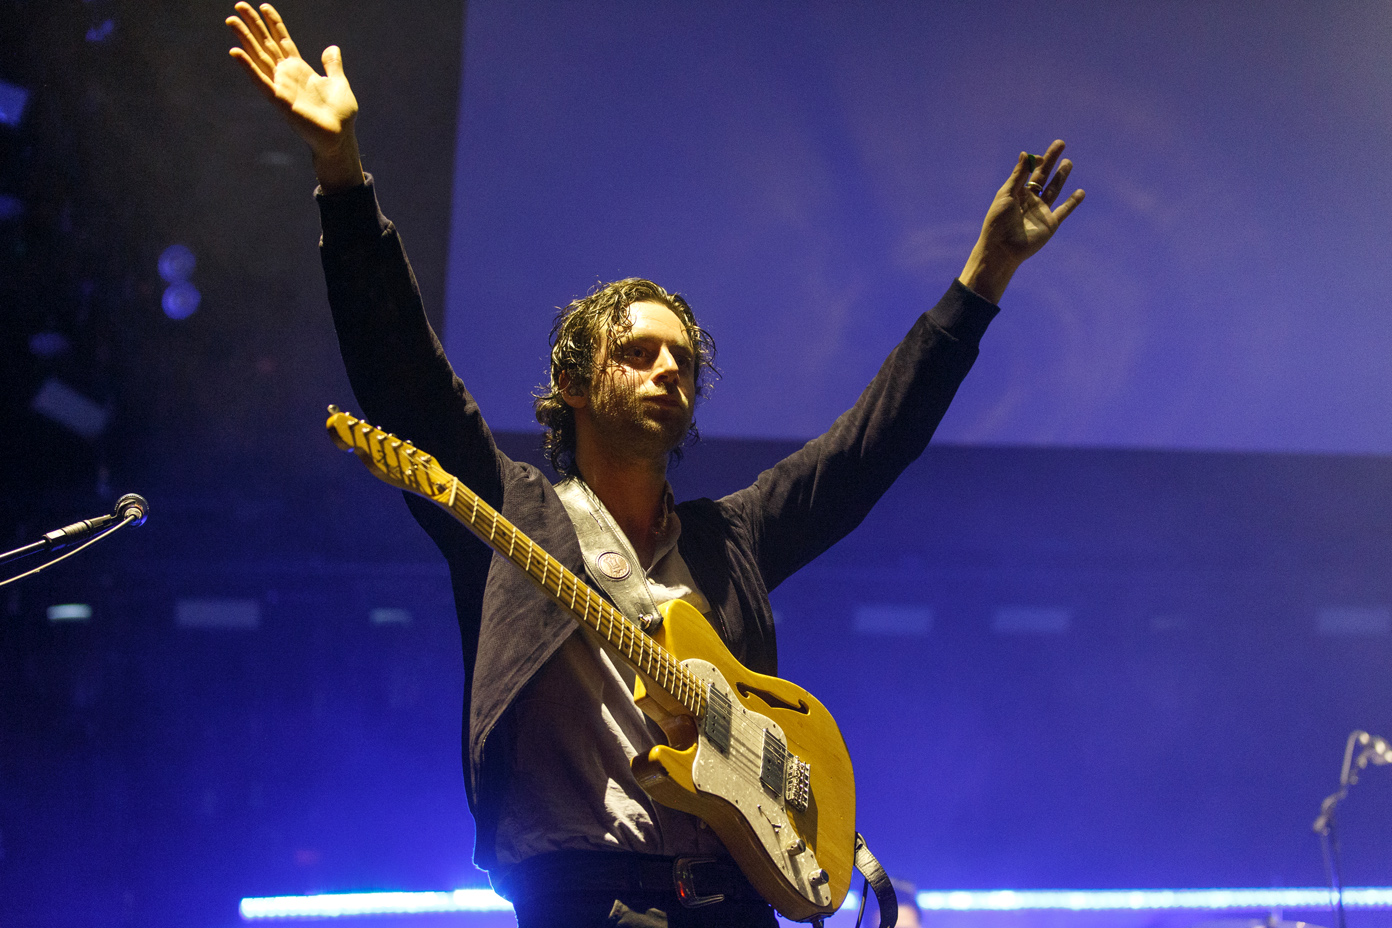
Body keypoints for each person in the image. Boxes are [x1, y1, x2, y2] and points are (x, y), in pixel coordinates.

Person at [225, 5, 1084, 927]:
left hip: (735, 898)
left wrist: (983, 277)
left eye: (682, 357)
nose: (668, 367)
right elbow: (406, 377)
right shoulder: (512, 516)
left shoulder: (732, 541)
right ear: (573, 385)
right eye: (637, 352)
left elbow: (874, 445)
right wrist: (340, 175)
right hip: (584, 899)